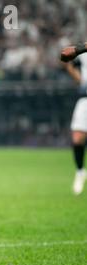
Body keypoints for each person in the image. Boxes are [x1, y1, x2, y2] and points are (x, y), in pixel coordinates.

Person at [61, 42, 87, 195]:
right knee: (77, 138)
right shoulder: (83, 53)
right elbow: (68, 62)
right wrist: (78, 78)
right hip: (85, 97)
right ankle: (80, 172)